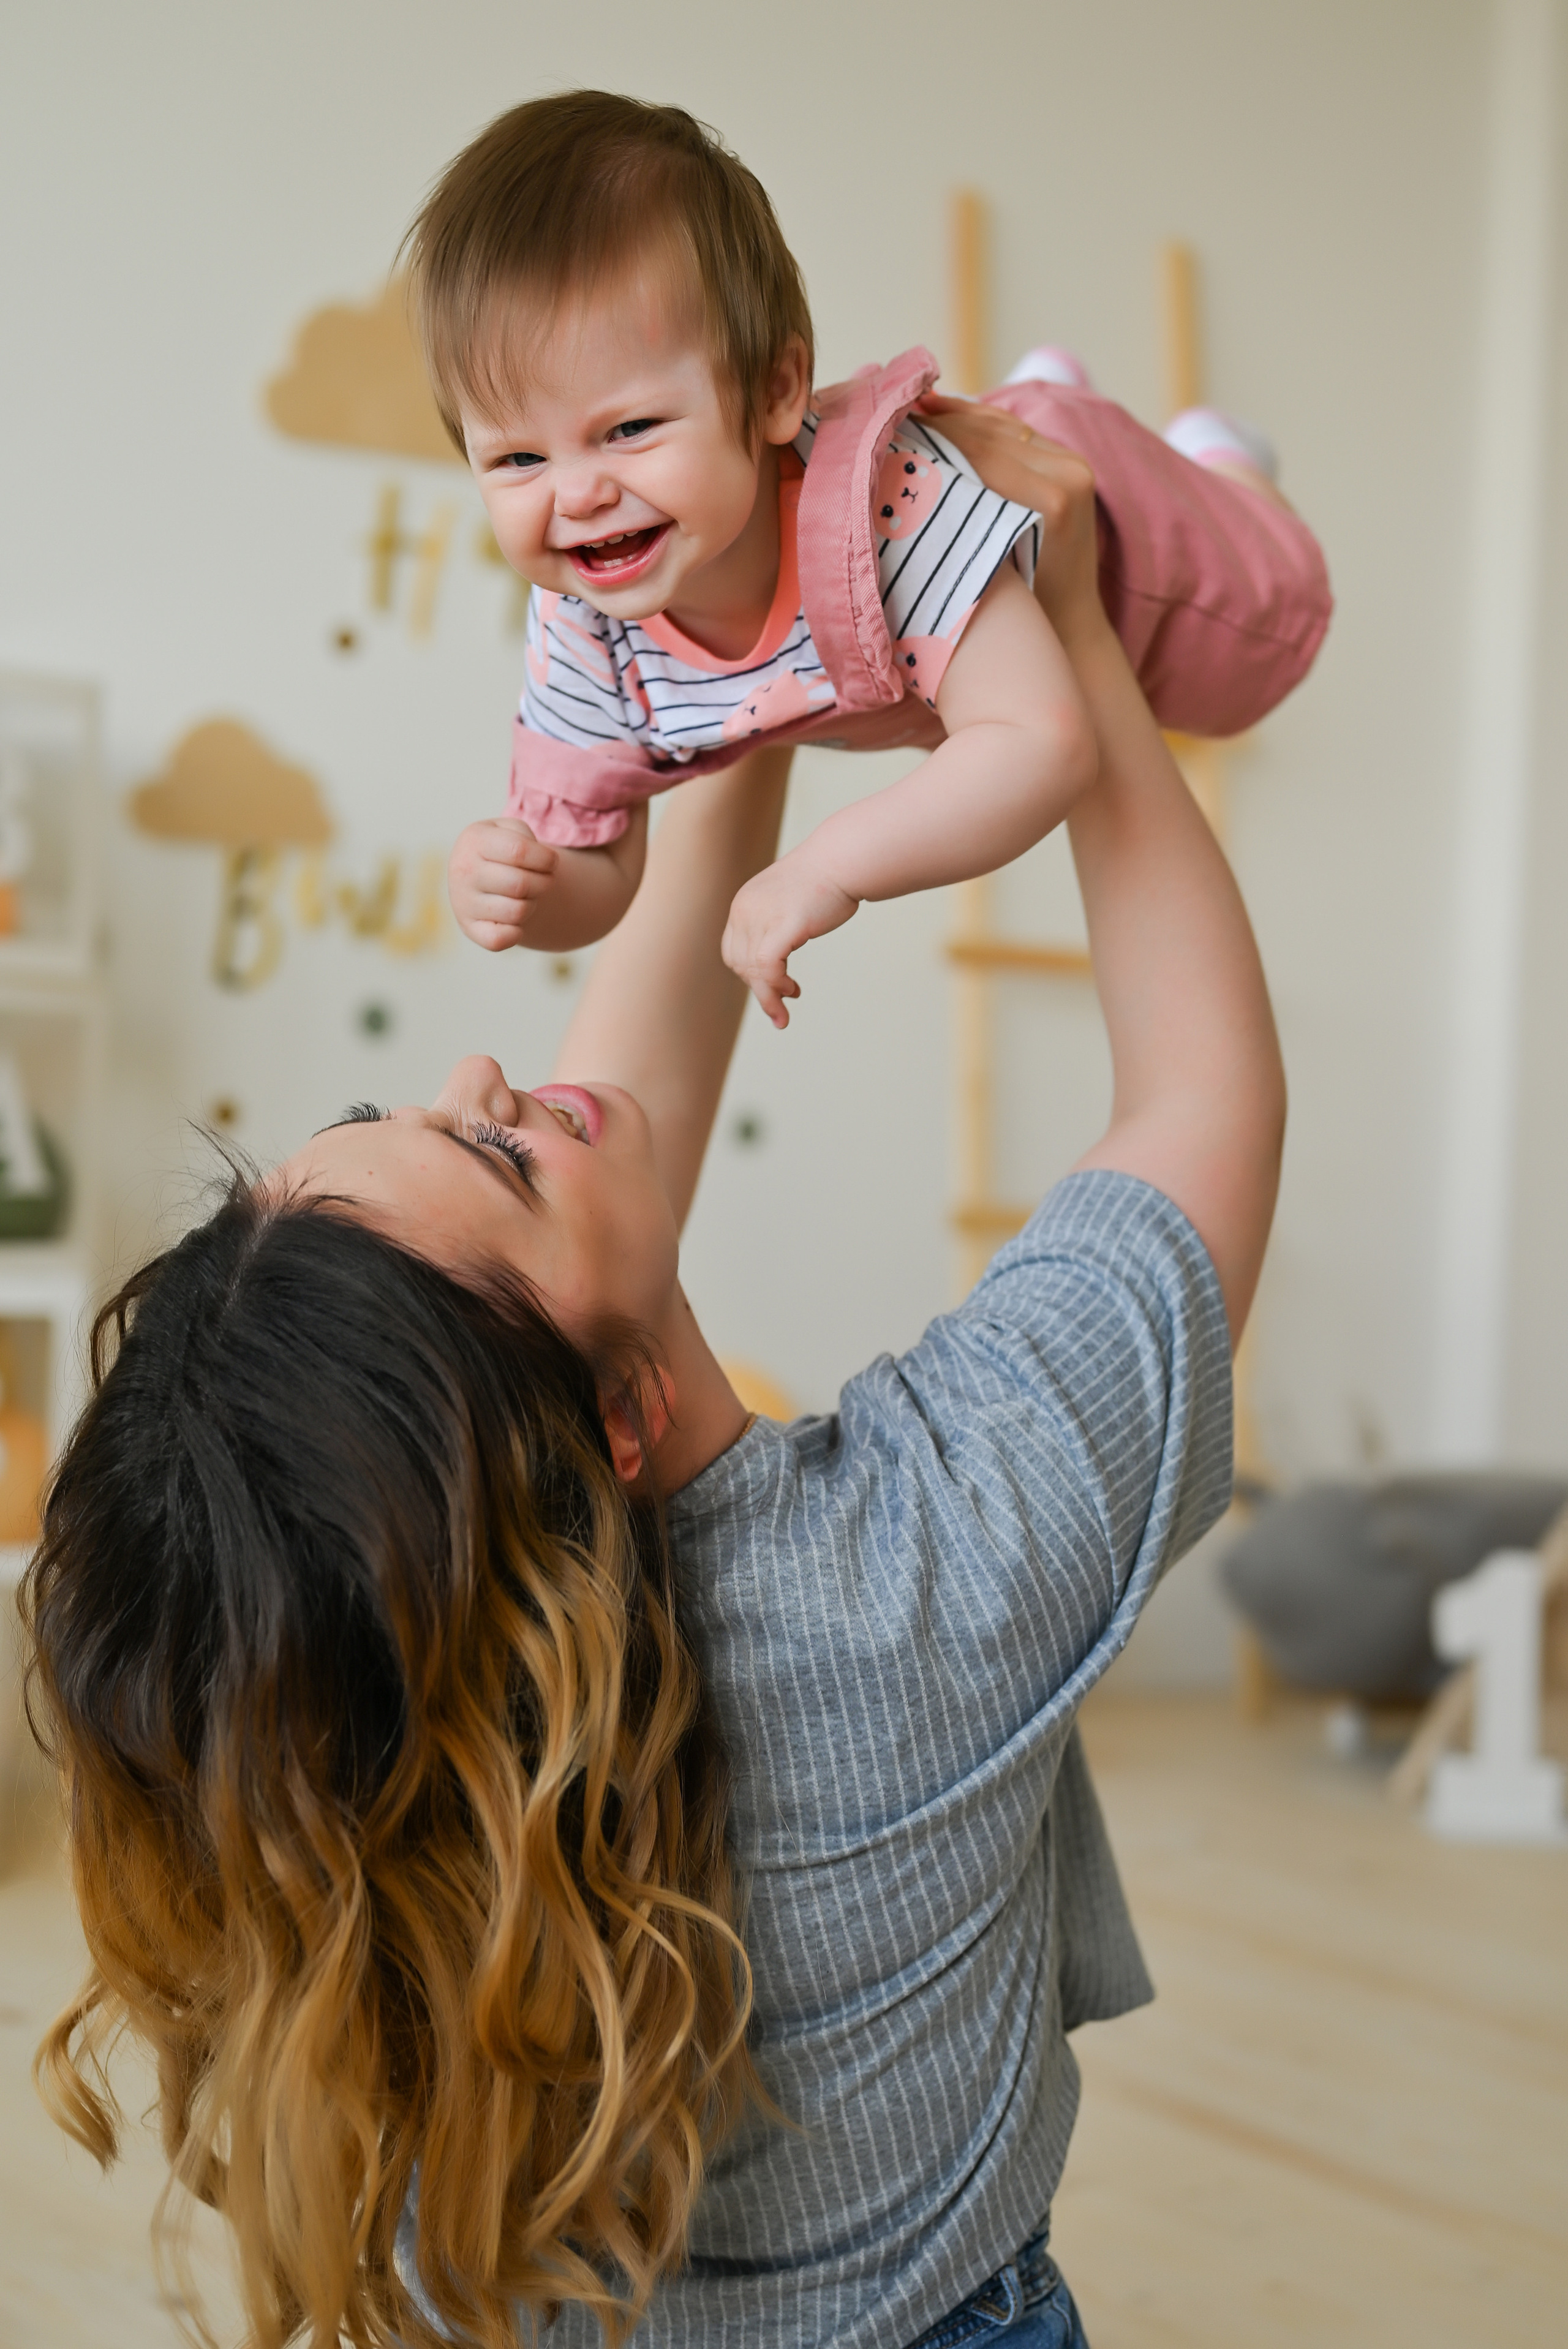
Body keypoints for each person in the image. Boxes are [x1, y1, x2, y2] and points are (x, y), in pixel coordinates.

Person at [22, 429, 1285, 2348]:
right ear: (612, 1422)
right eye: (496, 1153)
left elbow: (597, 1178)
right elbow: (1201, 1097)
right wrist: (1068, 612)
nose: (483, 1072)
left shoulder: (375, 1760)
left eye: (389, 1116)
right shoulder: (927, 1572)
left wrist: (745, 637)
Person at [420, 90, 1330, 1025]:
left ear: (778, 392)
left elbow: (1041, 743)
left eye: (630, 428)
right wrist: (532, 892)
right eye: (519, 457)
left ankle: (1223, 458)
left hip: (1124, 545)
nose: (575, 495)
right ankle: (1041, 390)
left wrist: (829, 865)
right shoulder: (584, 628)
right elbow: (604, 868)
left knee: (1269, 619)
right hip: (960, 610)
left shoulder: (884, 513)